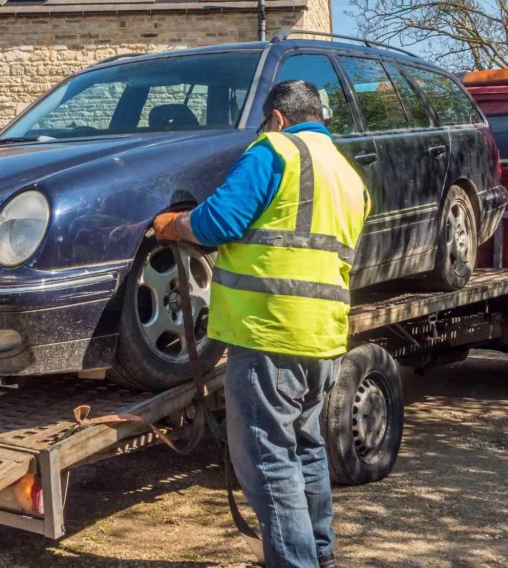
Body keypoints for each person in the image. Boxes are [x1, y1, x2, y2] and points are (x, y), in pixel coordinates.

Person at [154, 80, 370, 568]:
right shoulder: (348, 176)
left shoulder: (274, 150)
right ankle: (319, 556)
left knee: (269, 462)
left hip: (268, 334)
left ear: (276, 117)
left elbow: (218, 224)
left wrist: (172, 225)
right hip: (324, 340)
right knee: (306, 450)